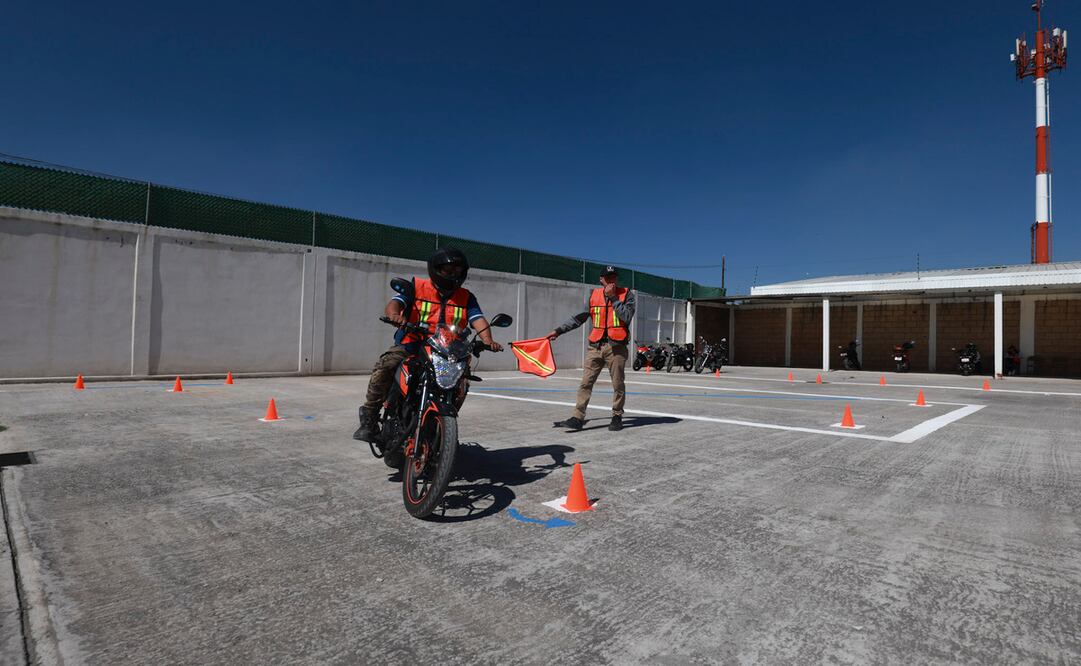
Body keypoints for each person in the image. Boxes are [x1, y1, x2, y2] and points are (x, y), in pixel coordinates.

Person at [353, 248, 502, 443]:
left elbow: (478, 320)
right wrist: (395, 316)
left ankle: (443, 423)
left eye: (457, 271)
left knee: (462, 381)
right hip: (412, 345)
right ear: (436, 269)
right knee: (386, 365)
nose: (453, 275)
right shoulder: (417, 287)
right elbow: (395, 304)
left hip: (447, 350)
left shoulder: (466, 297)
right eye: (448, 270)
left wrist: (488, 340)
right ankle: (370, 418)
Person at [546, 265, 636, 432]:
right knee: (586, 383)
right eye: (607, 278)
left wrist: (614, 298)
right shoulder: (593, 295)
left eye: (613, 277)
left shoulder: (627, 294)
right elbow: (579, 318)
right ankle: (577, 417)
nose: (611, 280)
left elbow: (627, 317)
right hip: (595, 347)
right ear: (601, 279)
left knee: (618, 384)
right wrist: (558, 331)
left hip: (616, 347)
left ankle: (617, 416)